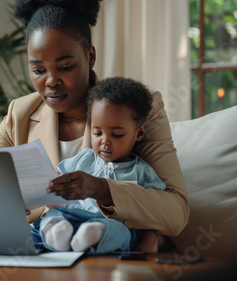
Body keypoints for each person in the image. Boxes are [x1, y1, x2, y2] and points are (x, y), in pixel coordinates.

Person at [0, 0, 189, 248]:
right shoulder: (20, 114)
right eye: (38, 70)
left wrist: (103, 190)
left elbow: (176, 213)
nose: (51, 81)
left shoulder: (138, 107)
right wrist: (2, 207)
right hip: (44, 254)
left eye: (65, 67)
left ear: (90, 57)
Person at [34, 77, 165, 253]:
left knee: (120, 231)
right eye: (97, 133)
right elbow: (56, 187)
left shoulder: (142, 172)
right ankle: (56, 233)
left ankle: (93, 233)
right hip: (72, 217)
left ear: (139, 132)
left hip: (113, 223)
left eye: (117, 134)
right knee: (51, 217)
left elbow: (154, 216)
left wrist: (147, 244)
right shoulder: (83, 160)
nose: (105, 142)